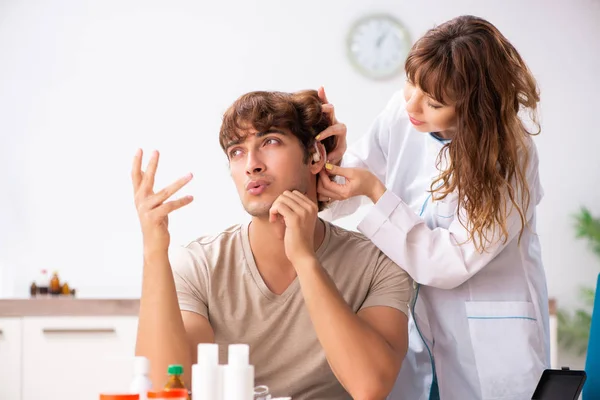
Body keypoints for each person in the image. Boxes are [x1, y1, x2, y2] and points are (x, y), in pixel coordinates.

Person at [315, 15, 550, 400]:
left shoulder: (511, 156)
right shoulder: (404, 110)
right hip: (414, 328)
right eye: (411, 84)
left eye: (435, 103)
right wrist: (329, 157)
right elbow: (343, 189)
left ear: (475, 109)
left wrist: (376, 192)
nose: (413, 105)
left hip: (487, 343)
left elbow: (448, 262)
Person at [132, 90, 414, 399]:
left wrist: (305, 259)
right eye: (237, 151)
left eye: (270, 142)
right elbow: (167, 384)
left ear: (316, 156)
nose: (251, 164)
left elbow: (370, 387)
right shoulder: (199, 265)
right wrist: (154, 253)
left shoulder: (378, 264)